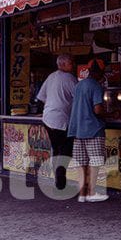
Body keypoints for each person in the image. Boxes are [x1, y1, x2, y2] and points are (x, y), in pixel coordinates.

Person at [35, 54, 77, 190]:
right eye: (71, 63)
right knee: (64, 149)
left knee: (57, 148)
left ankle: (58, 177)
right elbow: (80, 97)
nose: (73, 65)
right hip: (61, 119)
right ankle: (60, 178)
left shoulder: (51, 76)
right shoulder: (70, 78)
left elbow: (41, 97)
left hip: (48, 118)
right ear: (63, 64)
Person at [68, 59, 108, 202]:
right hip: (93, 128)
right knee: (95, 162)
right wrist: (109, 114)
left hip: (78, 129)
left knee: (81, 162)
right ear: (99, 72)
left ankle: (82, 194)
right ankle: (91, 193)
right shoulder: (96, 86)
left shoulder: (79, 85)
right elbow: (97, 110)